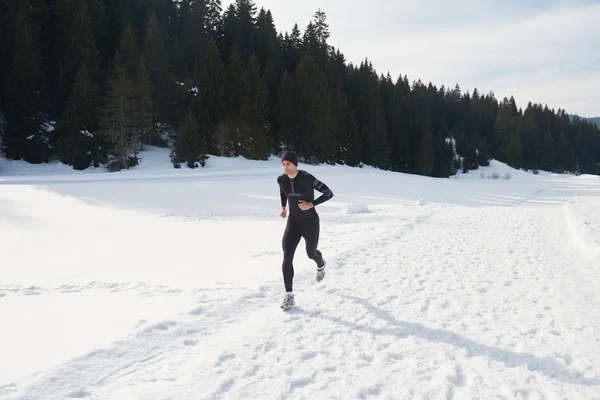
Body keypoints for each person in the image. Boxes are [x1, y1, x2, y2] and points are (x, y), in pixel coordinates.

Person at [276, 150, 334, 309]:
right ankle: (289, 295)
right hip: (293, 222)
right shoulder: (281, 179)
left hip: (310, 222)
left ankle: (321, 264)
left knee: (311, 253)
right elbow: (283, 190)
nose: (286, 167)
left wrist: (311, 204)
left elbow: (328, 193)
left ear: (295, 164)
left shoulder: (307, 178)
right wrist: (283, 207)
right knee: (287, 254)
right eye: (283, 164)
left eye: (289, 164)